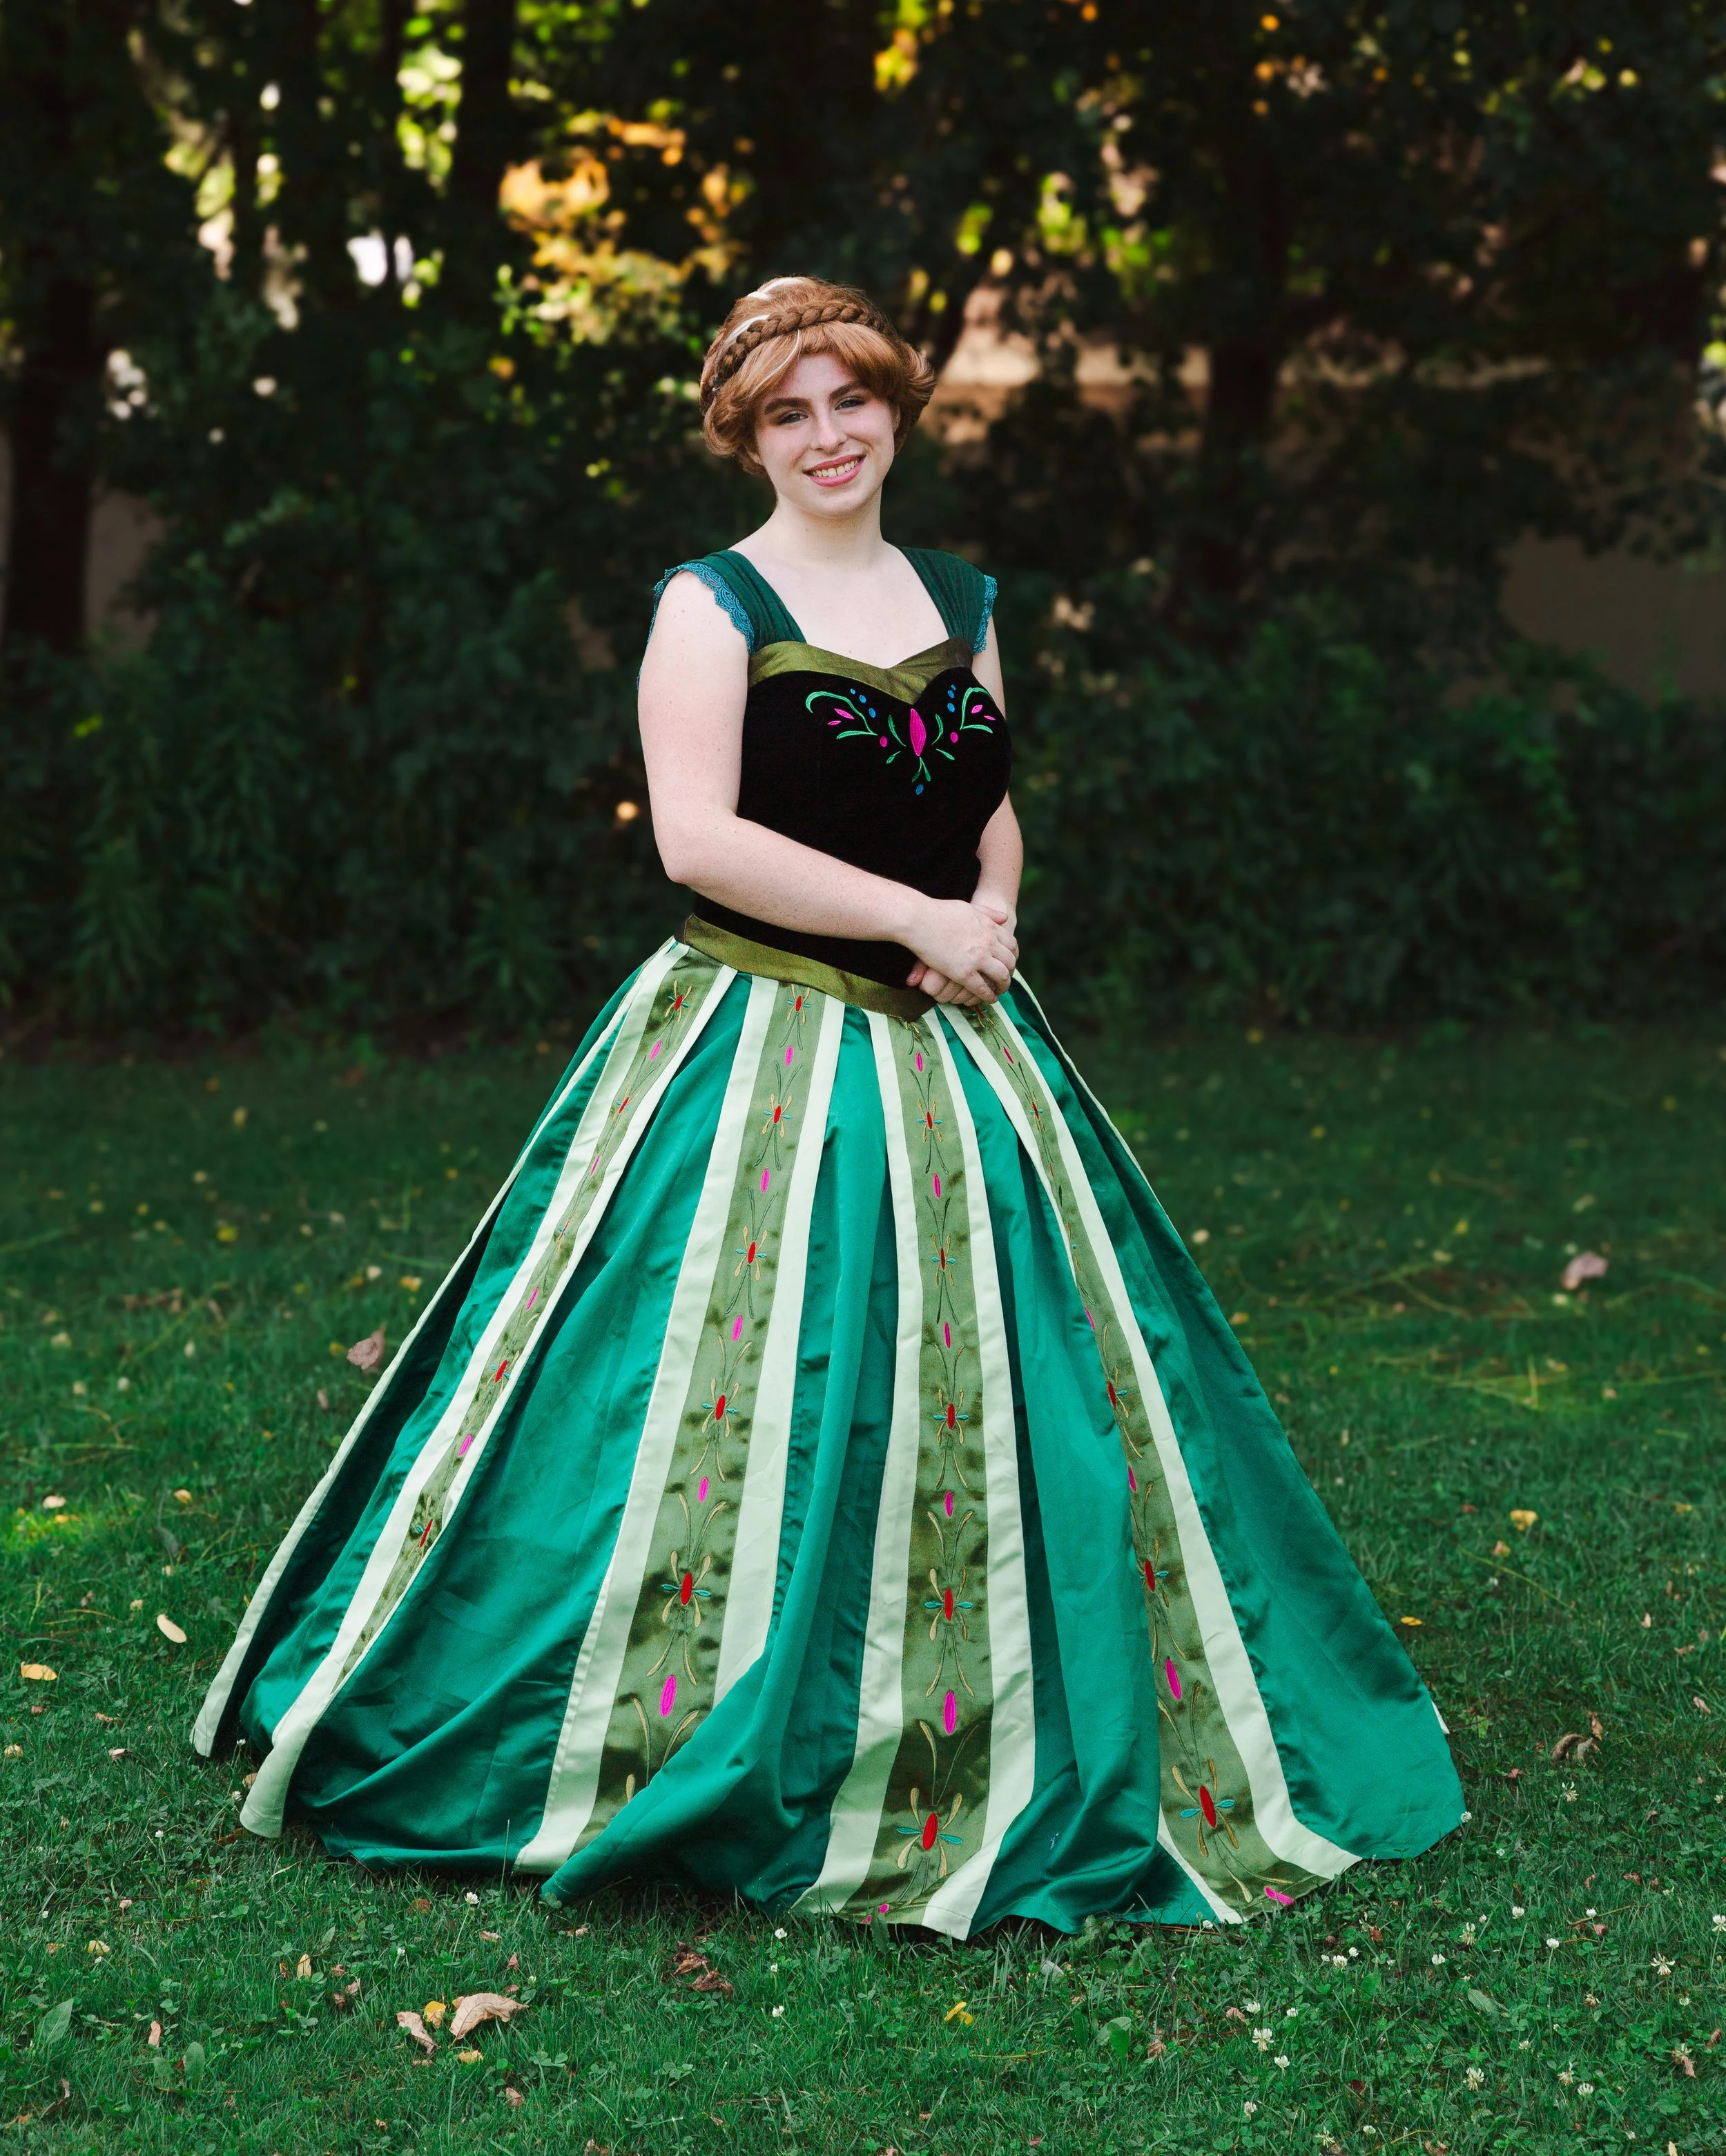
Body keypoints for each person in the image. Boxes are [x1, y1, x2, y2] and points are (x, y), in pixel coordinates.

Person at [193, 276, 1462, 1935]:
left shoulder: (957, 592)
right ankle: (678, 1704)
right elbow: (697, 841)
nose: (824, 435)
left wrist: (984, 917)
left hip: (961, 1039)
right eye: (785, 412)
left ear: (892, 407)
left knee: (1044, 1391)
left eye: (846, 400)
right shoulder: (710, 604)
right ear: (746, 434)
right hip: (755, 1041)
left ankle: (1005, 1700)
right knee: (717, 1389)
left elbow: (985, 789)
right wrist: (910, 921)